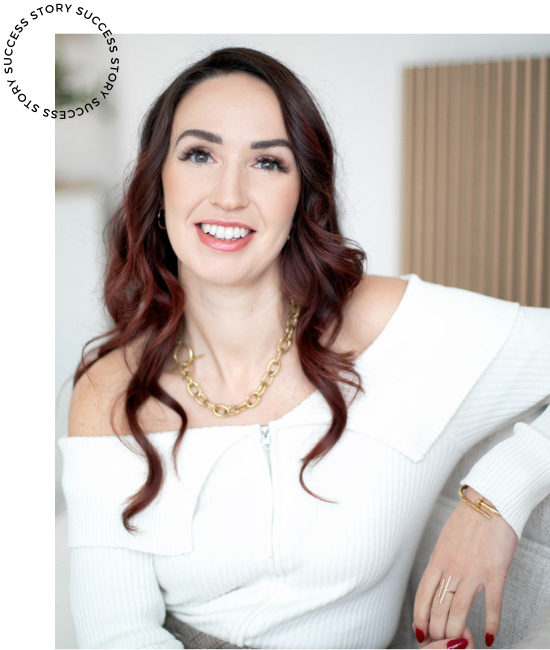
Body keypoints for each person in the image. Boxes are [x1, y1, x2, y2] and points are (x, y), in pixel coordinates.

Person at [59, 47, 550, 650]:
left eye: (267, 162)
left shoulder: (396, 329)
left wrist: (497, 496)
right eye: (200, 154)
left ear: (303, 195)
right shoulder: (111, 390)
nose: (229, 195)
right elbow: (118, 635)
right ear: (159, 182)